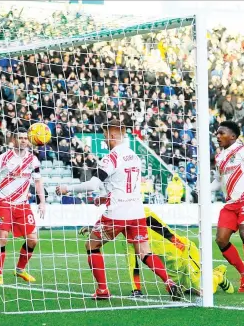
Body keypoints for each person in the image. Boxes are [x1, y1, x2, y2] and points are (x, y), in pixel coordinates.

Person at [56, 120, 182, 301]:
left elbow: (93, 184)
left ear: (113, 135)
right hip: (137, 212)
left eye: (105, 135)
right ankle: (168, 281)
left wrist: (67, 188)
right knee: (144, 251)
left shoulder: (111, 158)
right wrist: (105, 197)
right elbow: (124, 185)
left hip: (117, 213)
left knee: (91, 245)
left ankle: (102, 290)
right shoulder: (134, 156)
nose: (105, 140)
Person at [78, 205, 234, 297]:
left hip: (183, 253)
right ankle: (195, 279)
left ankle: (219, 275)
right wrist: (136, 289)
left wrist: (181, 248)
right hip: (171, 268)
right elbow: (132, 263)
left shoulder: (143, 213)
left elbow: (165, 232)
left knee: (203, 290)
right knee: (189, 290)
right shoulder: (126, 234)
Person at [0, 127, 46, 286]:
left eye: (25, 138)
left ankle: (20, 270)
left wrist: (42, 202)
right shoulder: (5, 157)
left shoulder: (33, 160)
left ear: (29, 140)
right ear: (14, 140)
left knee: (33, 240)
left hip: (22, 204)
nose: (23, 140)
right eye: (20, 138)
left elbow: (38, 182)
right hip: (4, 202)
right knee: (3, 237)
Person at [211, 120, 244, 292]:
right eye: (217, 133)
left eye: (222, 133)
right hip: (230, 204)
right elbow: (218, 182)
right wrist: (203, 190)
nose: (218, 136)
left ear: (233, 136)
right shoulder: (219, 158)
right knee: (221, 240)